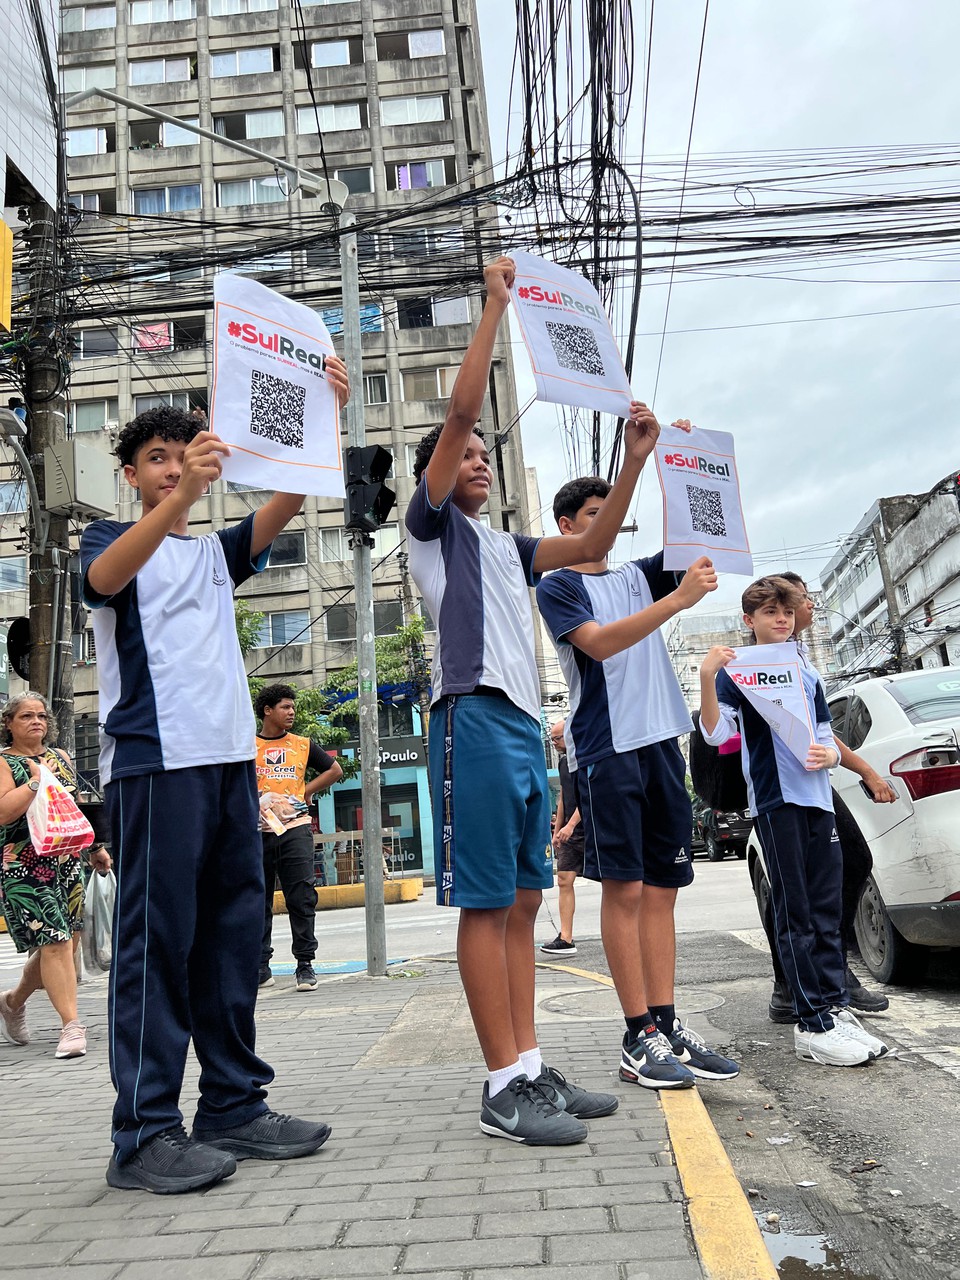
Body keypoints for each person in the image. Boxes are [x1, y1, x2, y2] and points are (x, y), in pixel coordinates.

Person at [405, 255, 663, 1145]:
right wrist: (492, 306)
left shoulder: (508, 549)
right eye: (466, 457)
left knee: (521, 902)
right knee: (487, 905)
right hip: (469, 716)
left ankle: (527, 1065)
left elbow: (592, 536)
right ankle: (498, 1087)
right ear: (439, 473)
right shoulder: (433, 529)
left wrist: (632, 461)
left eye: (484, 458)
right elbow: (461, 410)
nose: (477, 459)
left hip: (519, 726)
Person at [80, 364, 348, 1194]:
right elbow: (105, 580)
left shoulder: (211, 556)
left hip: (230, 768)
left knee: (234, 942)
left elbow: (285, 504)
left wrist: (321, 413)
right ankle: (143, 1133)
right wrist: (184, 494)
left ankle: (233, 1104)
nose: (171, 466)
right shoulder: (108, 542)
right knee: (156, 950)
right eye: (156, 457)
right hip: (156, 769)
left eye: (183, 454)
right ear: (131, 474)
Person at [536, 471, 739, 1091]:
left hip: (660, 745)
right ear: (567, 527)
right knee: (623, 892)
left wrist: (676, 464)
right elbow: (598, 646)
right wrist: (677, 603)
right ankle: (636, 1034)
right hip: (608, 749)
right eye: (594, 514)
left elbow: (699, 536)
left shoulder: (636, 575)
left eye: (613, 513)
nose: (607, 523)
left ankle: (667, 1023)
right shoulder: (559, 585)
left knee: (663, 891)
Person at [699, 575, 888, 1068]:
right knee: (795, 911)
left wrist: (829, 756)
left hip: (817, 799)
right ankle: (810, 1022)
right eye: (769, 613)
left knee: (826, 911)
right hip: (776, 800)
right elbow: (717, 733)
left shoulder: (806, 668)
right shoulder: (736, 671)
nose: (780, 620)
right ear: (749, 621)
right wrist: (706, 675)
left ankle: (834, 1007)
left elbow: (825, 729)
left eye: (786, 612)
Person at [762, 572, 893, 1019]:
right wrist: (869, 771)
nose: (809, 607)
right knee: (792, 893)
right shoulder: (756, 664)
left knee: (846, 867)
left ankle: (830, 976)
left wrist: (862, 770)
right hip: (779, 790)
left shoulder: (803, 661)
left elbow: (823, 733)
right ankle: (796, 988)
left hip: (814, 786)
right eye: (801, 600)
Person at [0, 691, 112, 1058]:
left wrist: (93, 847)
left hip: (65, 860)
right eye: (26, 716)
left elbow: (72, 808)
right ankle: (71, 1026)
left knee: (68, 941)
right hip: (22, 864)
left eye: (42, 716)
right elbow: (4, 813)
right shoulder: (3, 762)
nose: (36, 722)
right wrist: (36, 782)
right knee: (55, 942)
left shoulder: (60, 757)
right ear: (9, 724)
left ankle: (13, 1001)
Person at [255, 683, 343, 991]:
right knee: (257, 901)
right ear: (268, 711)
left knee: (302, 898)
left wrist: (304, 792)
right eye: (285, 707)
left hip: (295, 829)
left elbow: (334, 770)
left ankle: (305, 965)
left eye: (293, 707)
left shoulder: (302, 744)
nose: (291, 712)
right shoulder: (246, 745)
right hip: (256, 832)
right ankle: (261, 967)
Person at [540, 719, 583, 957]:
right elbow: (563, 796)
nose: (553, 743)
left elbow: (588, 796)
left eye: (557, 738)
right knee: (564, 879)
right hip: (570, 830)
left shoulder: (585, 757)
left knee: (613, 881)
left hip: (592, 828)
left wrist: (571, 824)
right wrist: (558, 830)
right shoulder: (565, 762)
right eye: (552, 739)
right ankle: (566, 937)